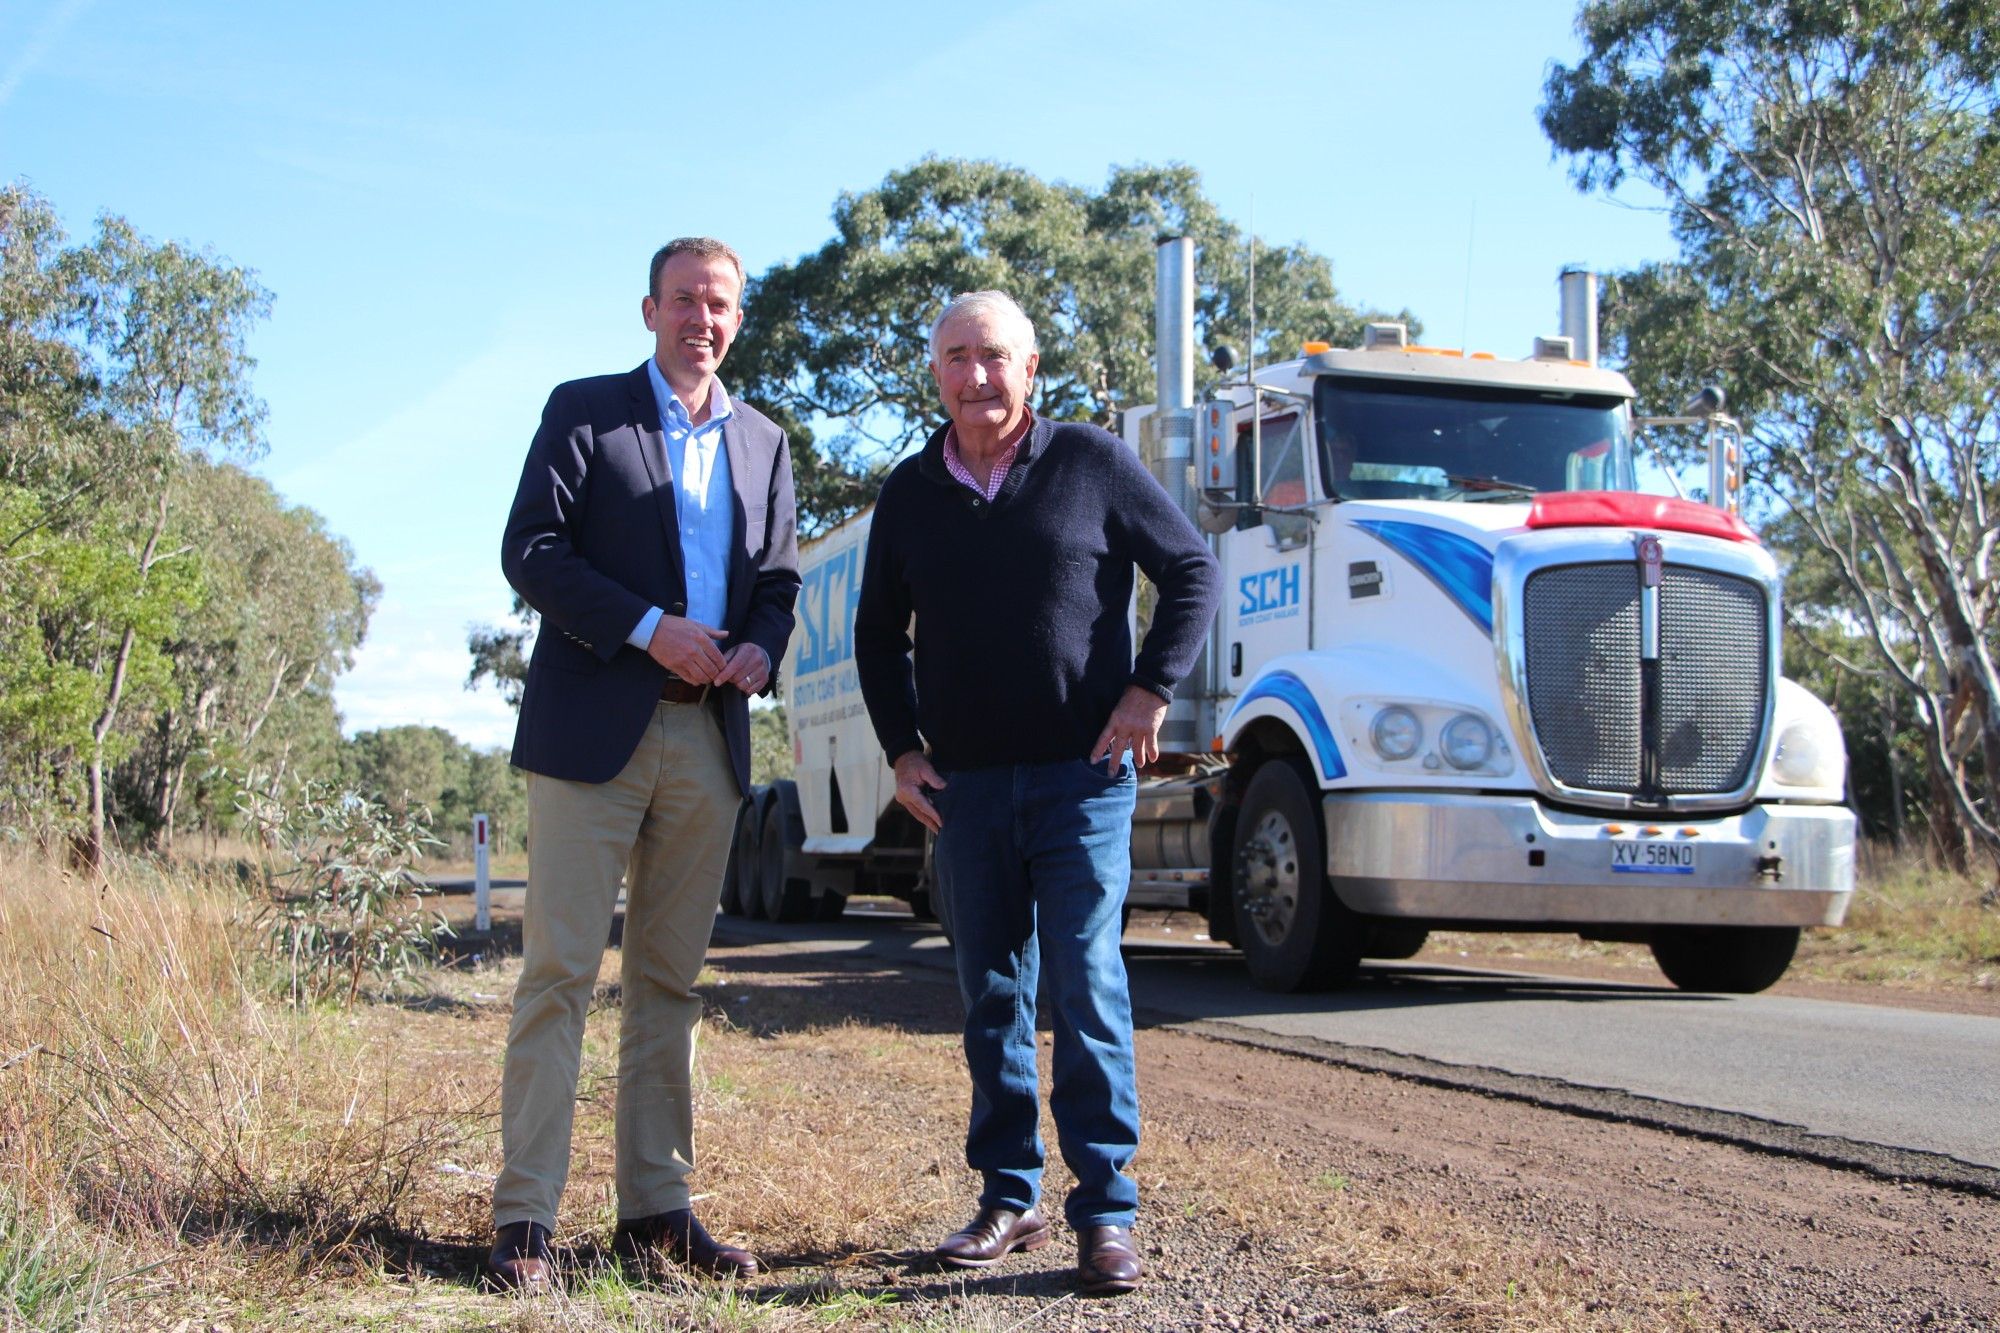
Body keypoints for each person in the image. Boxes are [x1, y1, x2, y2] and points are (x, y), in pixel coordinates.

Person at [853, 291, 1221, 1294]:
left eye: (995, 356)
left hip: (1080, 778)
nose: (976, 376)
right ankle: (1006, 1198)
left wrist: (1148, 691)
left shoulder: (1090, 463)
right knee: (990, 998)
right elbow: (878, 635)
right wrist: (901, 749)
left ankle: (1105, 1210)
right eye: (957, 357)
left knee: (1085, 985)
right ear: (934, 371)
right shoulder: (909, 493)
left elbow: (1191, 568)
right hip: (965, 790)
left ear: (1031, 365)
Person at [488, 237, 800, 1289]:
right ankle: (524, 1220)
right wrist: (644, 627)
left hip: (706, 739)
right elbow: (529, 547)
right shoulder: (586, 412)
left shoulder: (764, 440)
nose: (698, 320)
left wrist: (761, 643)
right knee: (560, 975)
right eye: (681, 301)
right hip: (592, 733)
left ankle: (655, 1211)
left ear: (736, 319)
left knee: (667, 982)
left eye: (717, 305)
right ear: (647, 309)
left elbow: (781, 579)